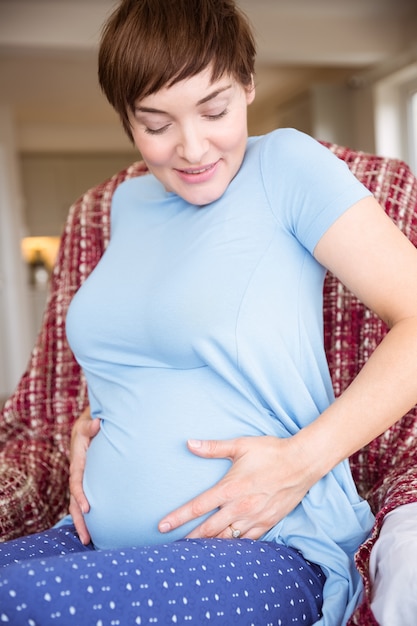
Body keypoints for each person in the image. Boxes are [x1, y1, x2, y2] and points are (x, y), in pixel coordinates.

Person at [1, 0, 417, 624]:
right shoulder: (125, 206)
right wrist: (97, 417)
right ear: (126, 121)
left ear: (248, 85)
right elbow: (154, 347)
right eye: (155, 123)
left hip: (264, 544)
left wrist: (300, 462)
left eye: (215, 109)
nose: (191, 147)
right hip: (95, 538)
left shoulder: (287, 167)